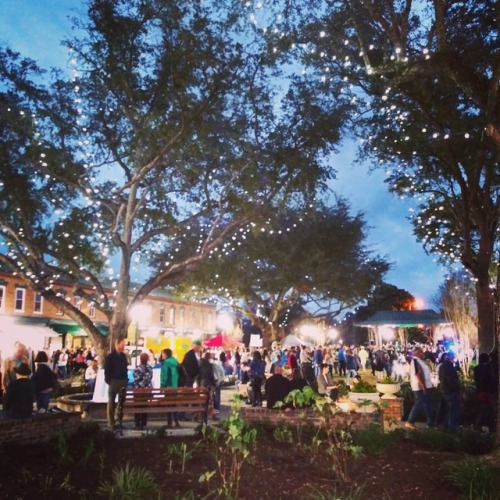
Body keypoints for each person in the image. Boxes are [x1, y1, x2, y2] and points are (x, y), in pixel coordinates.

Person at [405, 348, 435, 429]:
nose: (423, 353)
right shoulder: (415, 361)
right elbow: (417, 374)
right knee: (419, 403)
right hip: (419, 387)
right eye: (421, 352)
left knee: (427, 404)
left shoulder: (421, 361)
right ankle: (410, 421)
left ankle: (430, 423)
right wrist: (423, 385)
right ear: (417, 353)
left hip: (426, 386)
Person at [104, 338, 129, 431]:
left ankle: (119, 421)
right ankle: (111, 422)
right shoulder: (110, 357)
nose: (123, 347)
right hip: (114, 381)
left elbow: (125, 368)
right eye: (122, 345)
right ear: (117, 345)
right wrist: (109, 381)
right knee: (111, 402)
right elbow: (107, 371)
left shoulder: (123, 356)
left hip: (122, 380)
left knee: (121, 402)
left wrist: (126, 379)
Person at [437, 352, 462, 431]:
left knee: (449, 409)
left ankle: (444, 425)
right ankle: (451, 428)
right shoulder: (449, 366)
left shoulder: (442, 366)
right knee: (454, 410)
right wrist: (457, 388)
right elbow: (451, 379)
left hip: (444, 390)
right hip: (450, 391)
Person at [473, 352, 497, 432]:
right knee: (489, 410)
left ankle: (481, 426)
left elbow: (476, 380)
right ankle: (487, 426)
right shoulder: (490, 367)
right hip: (490, 391)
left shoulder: (476, 368)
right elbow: (492, 379)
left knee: (484, 408)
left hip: (481, 392)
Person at [160, 348, 180, 428]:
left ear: (166, 354)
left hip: (168, 387)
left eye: (163, 354)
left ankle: (169, 422)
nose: (162, 355)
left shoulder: (166, 363)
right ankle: (176, 420)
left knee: (168, 404)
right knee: (174, 404)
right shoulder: (175, 362)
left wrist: (162, 386)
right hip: (175, 386)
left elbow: (164, 376)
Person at [133, 352, 153, 430]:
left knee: (137, 406)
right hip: (147, 390)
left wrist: (140, 385)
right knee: (144, 406)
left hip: (138, 390)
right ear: (147, 359)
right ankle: (143, 423)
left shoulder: (137, 368)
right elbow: (149, 378)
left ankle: (137, 423)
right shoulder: (150, 368)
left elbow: (136, 378)